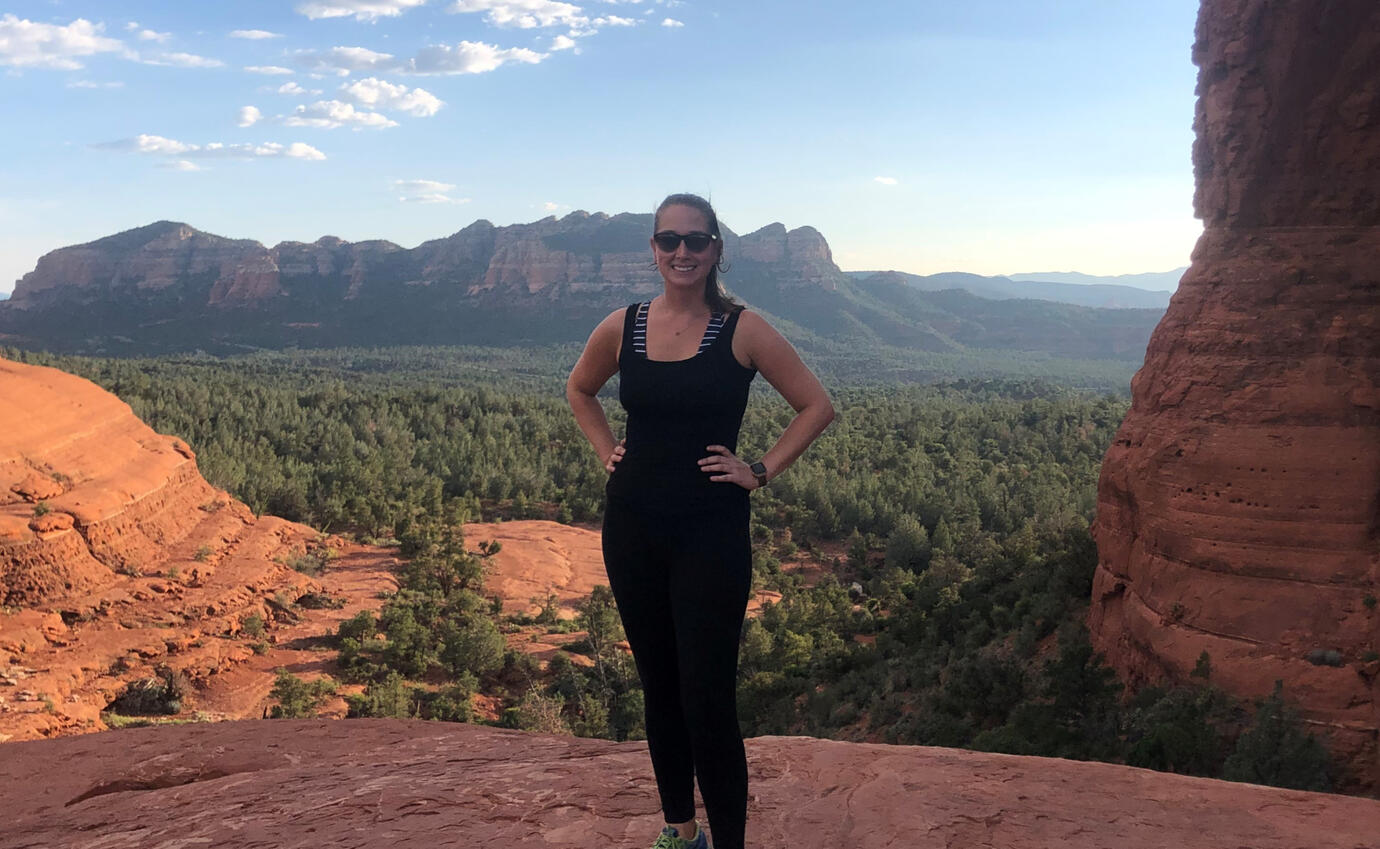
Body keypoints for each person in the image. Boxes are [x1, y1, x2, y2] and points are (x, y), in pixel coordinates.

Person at [566, 193, 835, 849]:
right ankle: (681, 831)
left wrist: (760, 469)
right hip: (633, 524)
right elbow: (580, 389)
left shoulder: (743, 328)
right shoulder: (624, 325)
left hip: (710, 530)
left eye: (695, 240)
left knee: (707, 696)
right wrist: (607, 450)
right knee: (659, 686)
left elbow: (816, 405)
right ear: (653, 249)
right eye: (669, 240)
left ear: (716, 249)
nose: (681, 252)